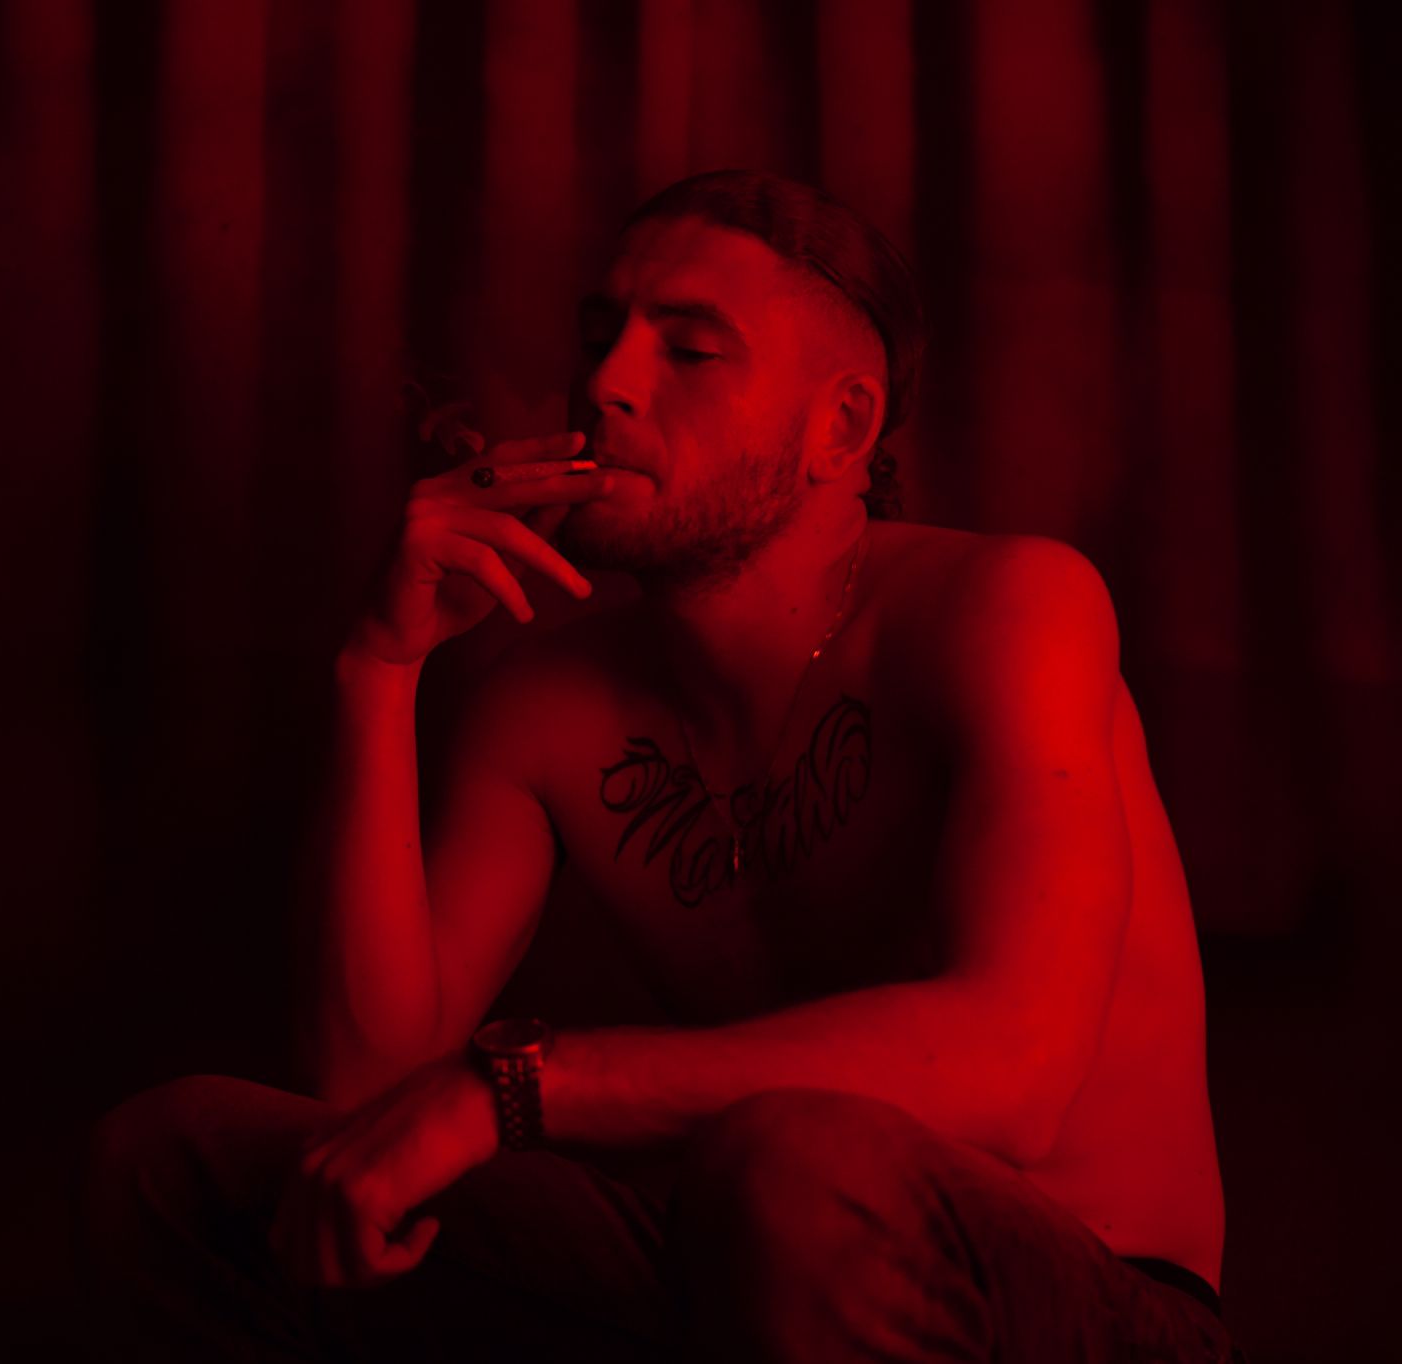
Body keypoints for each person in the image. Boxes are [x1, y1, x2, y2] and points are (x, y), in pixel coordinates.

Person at [78, 170, 1241, 1362]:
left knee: (795, 1154)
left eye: (686, 350)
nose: (604, 384)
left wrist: (513, 1088)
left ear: (840, 429)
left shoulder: (1009, 605)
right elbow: (360, 1092)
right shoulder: (543, 700)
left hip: (1088, 1300)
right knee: (178, 1157)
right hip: (731, 1271)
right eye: (599, 336)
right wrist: (378, 667)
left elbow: (1017, 1071)